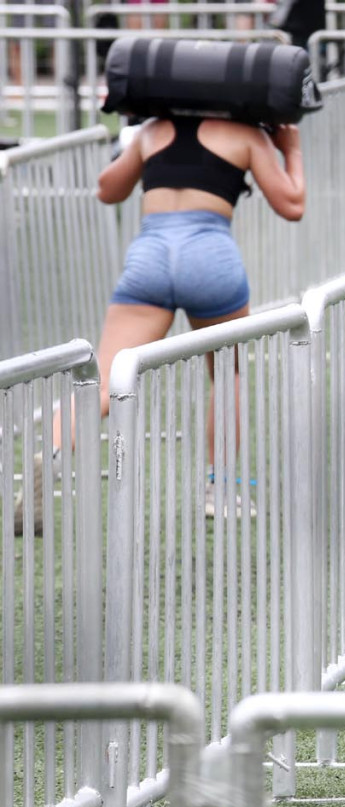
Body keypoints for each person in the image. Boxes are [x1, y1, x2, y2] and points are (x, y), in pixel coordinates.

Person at [12, 115, 305, 536]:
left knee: (104, 379)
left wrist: (138, 147)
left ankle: (51, 455)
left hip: (150, 255)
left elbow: (107, 190)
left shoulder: (153, 131)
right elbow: (291, 204)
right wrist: (290, 150)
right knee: (226, 373)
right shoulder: (247, 135)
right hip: (211, 256)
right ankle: (218, 489)